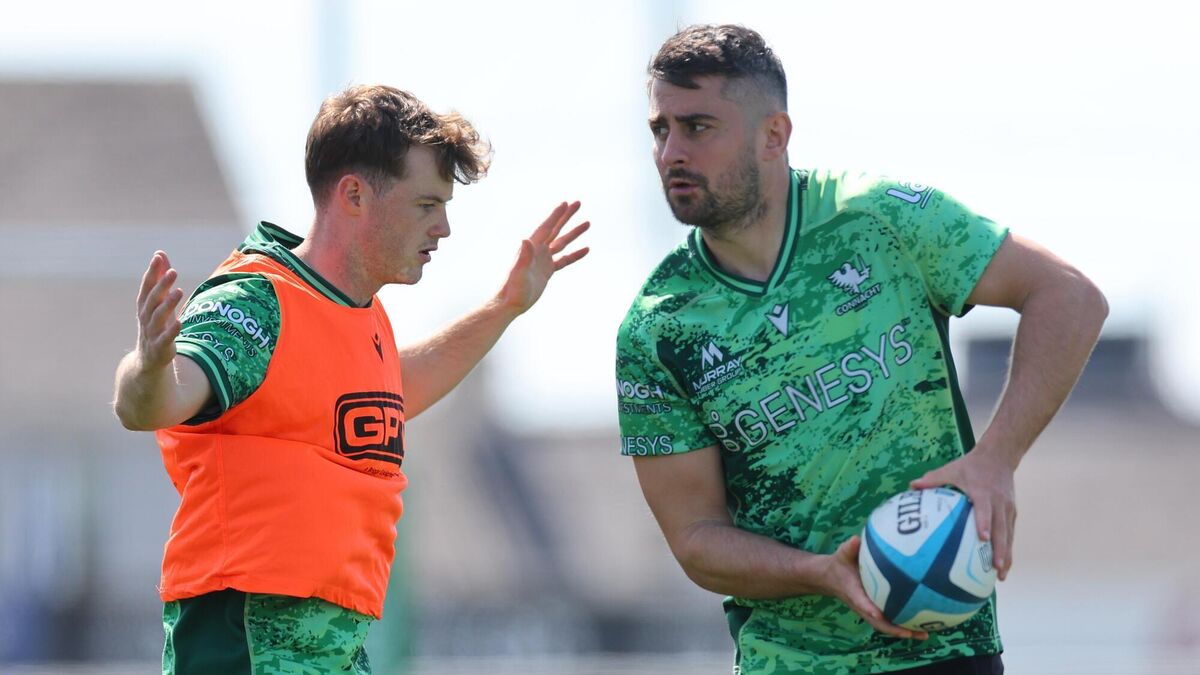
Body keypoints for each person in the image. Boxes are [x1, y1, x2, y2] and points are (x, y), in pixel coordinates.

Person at [615, 25, 1107, 674]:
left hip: (946, 649)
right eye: (660, 130)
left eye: (697, 127)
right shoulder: (658, 328)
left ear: (774, 135)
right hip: (788, 662)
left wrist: (996, 458)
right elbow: (696, 540)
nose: (671, 152)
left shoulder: (881, 220)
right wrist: (822, 571)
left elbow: (1070, 297)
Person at [113, 84, 589, 673]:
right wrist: (148, 363)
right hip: (248, 636)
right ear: (355, 195)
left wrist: (505, 306)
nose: (443, 227)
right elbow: (152, 403)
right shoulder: (260, 301)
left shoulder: (358, 316)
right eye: (426, 204)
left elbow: (394, 390)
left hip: (336, 644)